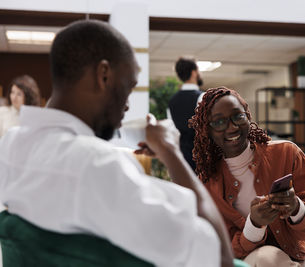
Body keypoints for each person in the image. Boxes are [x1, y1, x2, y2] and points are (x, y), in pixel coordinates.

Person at [0, 20, 236, 267]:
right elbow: (220, 257)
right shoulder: (98, 167)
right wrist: (170, 151)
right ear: (103, 75)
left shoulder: (10, 147)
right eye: (128, 86)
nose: (126, 105)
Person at [189, 87, 305, 266]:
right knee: (267, 257)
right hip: (257, 256)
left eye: (238, 116)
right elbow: (221, 250)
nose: (232, 127)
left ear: (248, 116)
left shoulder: (287, 153)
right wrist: (254, 225)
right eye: (219, 122)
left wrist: (296, 208)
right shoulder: (207, 185)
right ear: (208, 130)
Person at [168, 57, 204, 171]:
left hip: (180, 159)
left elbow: (172, 131)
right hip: (200, 160)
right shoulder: (202, 97)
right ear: (194, 73)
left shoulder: (172, 101)